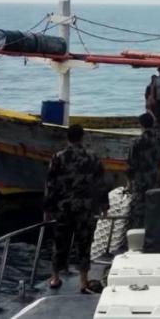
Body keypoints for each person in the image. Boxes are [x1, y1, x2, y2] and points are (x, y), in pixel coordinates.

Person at [43, 124, 109, 293]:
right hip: (85, 209)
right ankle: (83, 281)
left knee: (60, 243)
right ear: (82, 137)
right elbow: (101, 183)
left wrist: (48, 209)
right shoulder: (92, 157)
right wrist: (104, 205)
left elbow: (51, 185)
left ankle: (55, 277)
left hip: (64, 208)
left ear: (68, 138)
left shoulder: (58, 157)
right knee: (84, 244)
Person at [125, 113, 160, 228]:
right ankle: (154, 234)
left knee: (139, 212)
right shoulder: (159, 138)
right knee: (155, 208)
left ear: (141, 125)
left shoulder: (137, 142)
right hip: (156, 180)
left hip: (141, 182)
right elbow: (158, 127)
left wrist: (129, 182)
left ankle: (139, 235)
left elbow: (130, 165)